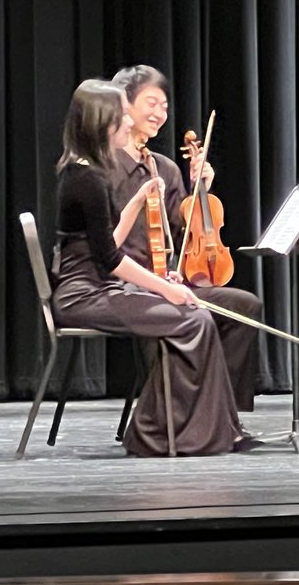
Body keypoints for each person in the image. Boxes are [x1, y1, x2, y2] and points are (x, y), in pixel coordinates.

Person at [51, 78, 254, 456]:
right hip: (85, 293)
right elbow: (110, 259)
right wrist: (164, 287)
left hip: (101, 287)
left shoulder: (86, 171)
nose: (129, 125)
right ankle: (152, 433)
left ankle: (205, 429)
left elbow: (107, 239)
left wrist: (139, 202)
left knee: (193, 313)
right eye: (121, 118)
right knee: (193, 318)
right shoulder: (88, 179)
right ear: (101, 123)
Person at [107, 64, 262, 413]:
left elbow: (183, 231)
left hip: (169, 279)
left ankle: (225, 415)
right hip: (123, 283)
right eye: (152, 103)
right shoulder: (102, 167)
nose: (161, 114)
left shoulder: (166, 168)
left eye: (164, 106)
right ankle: (170, 416)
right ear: (123, 105)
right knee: (171, 308)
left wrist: (200, 190)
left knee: (243, 306)